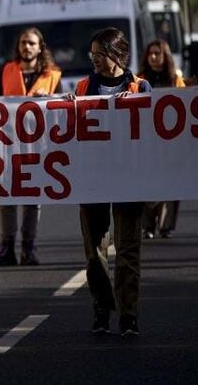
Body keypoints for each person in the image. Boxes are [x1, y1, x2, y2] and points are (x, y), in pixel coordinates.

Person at [67, 27, 151, 337]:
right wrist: (67, 106)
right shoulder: (84, 86)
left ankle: (128, 315)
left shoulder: (140, 86)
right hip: (93, 179)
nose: (94, 61)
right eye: (92, 55)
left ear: (116, 55)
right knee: (95, 251)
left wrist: (139, 101)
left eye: (99, 55)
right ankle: (102, 309)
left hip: (130, 178)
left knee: (128, 250)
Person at [0, 27, 62, 267]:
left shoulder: (53, 75)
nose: (26, 47)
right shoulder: (8, 70)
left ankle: (29, 248)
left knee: (32, 198)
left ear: (40, 47)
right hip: (8, 143)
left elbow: (61, 109)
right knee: (5, 195)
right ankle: (6, 247)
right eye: (22, 43)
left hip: (38, 146)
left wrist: (48, 99)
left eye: (31, 43)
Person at [137, 40, 185, 239]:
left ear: (166, 56)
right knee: (146, 182)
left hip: (170, 142)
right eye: (151, 54)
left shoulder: (175, 80)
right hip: (146, 141)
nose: (154, 57)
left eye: (158, 53)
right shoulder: (137, 81)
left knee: (172, 182)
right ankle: (148, 225)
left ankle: (166, 225)